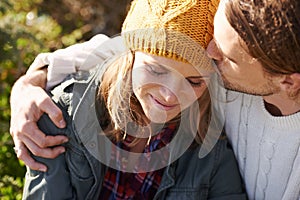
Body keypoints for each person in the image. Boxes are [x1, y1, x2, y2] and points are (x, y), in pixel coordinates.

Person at [9, 0, 300, 199]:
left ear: (288, 80)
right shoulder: (66, 113)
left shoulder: (218, 114)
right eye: (157, 70)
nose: (170, 93)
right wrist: (29, 82)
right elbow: (132, 42)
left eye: (196, 81)